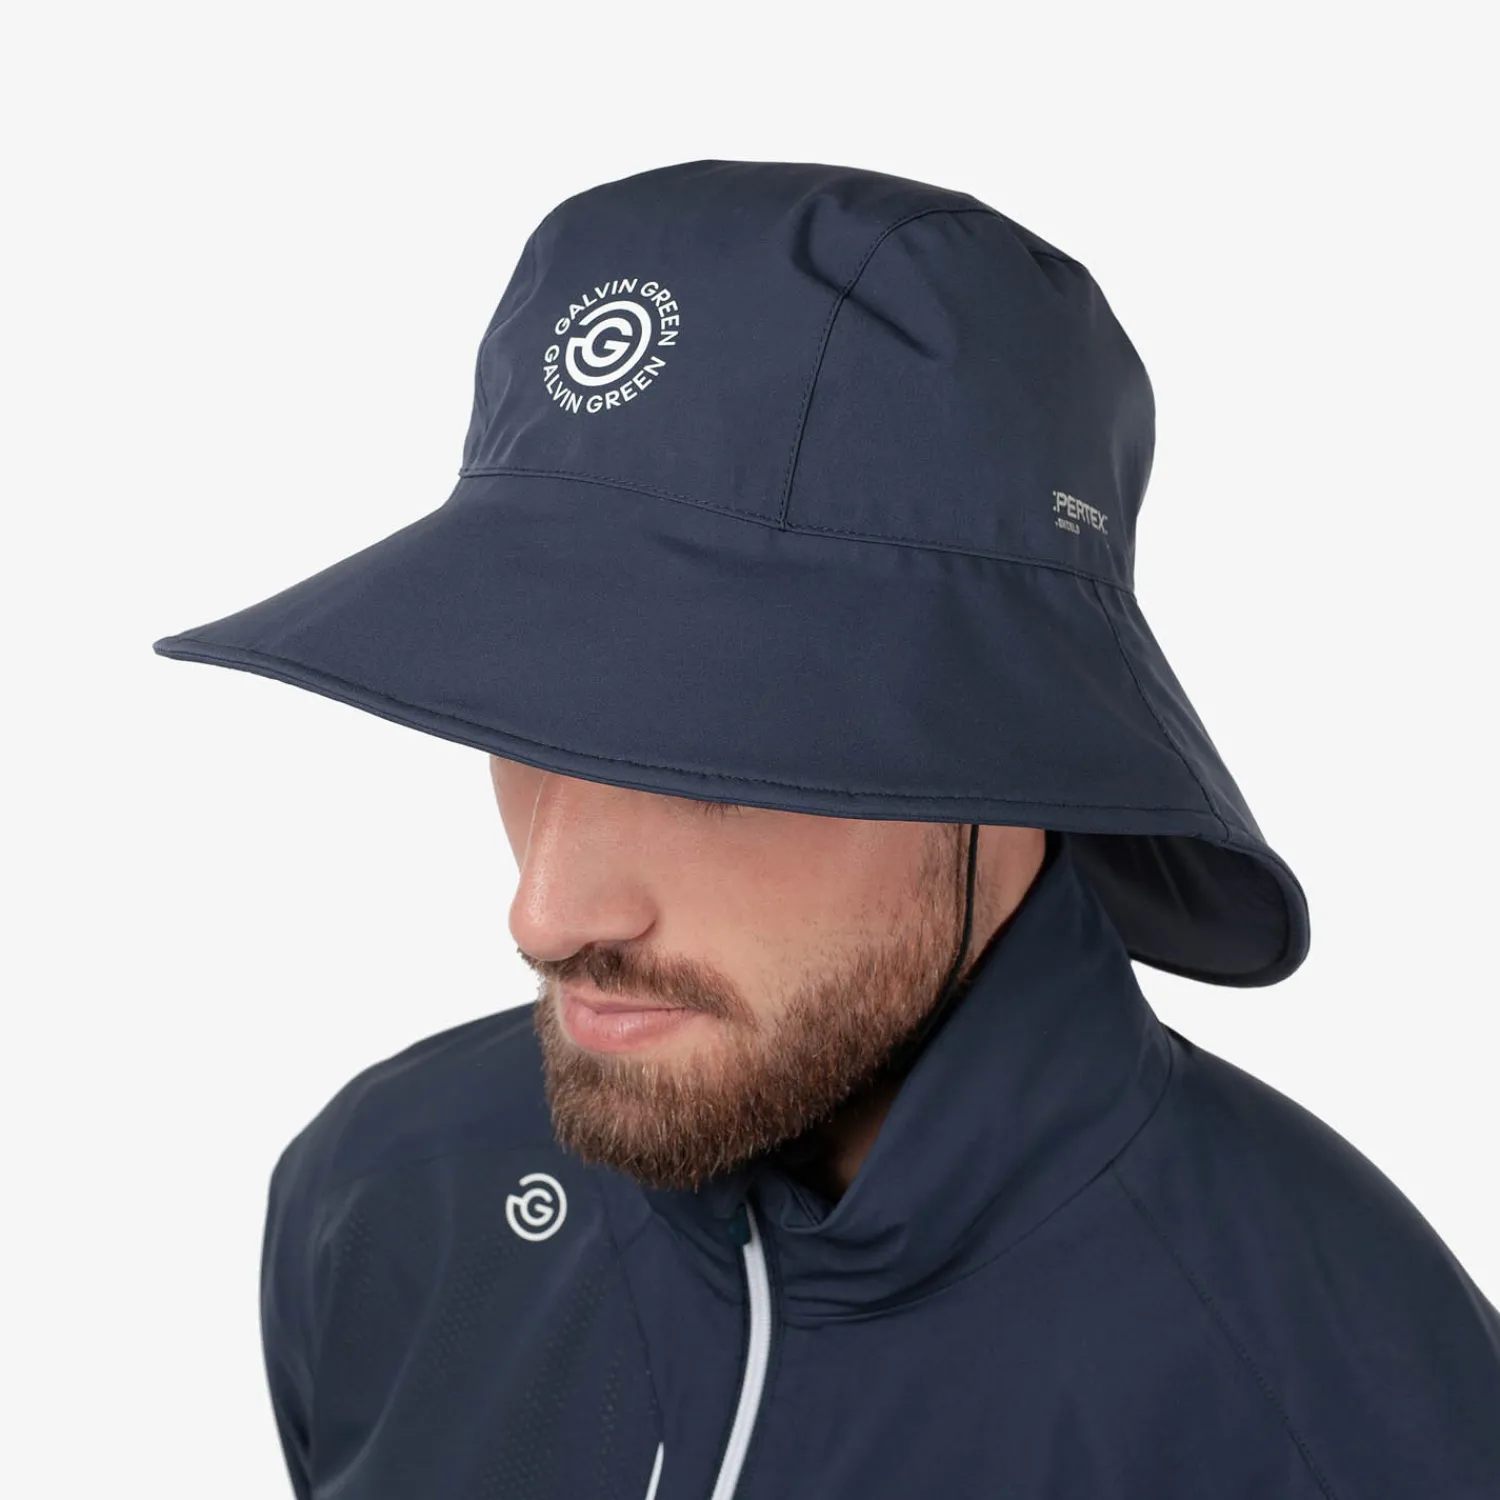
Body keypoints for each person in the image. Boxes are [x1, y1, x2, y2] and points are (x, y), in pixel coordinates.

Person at [152, 158, 1500, 1498]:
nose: (545, 914)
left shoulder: (1345, 1401)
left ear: (1016, 749)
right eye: (520, 719)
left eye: (705, 761)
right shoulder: (388, 1197)